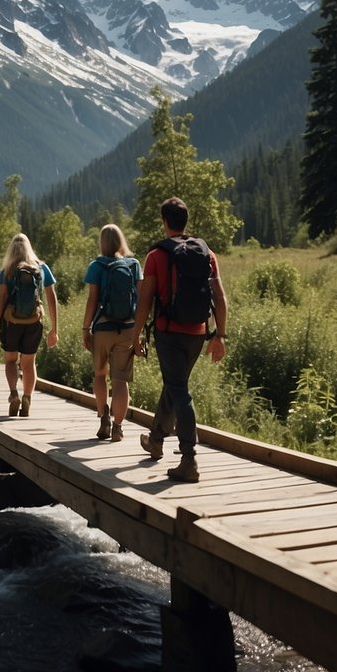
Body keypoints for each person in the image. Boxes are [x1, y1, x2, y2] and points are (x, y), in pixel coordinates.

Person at [131, 197, 228, 483]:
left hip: (168, 332)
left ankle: (189, 458)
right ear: (186, 221)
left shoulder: (156, 256)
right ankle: (156, 439)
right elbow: (220, 298)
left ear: (164, 221)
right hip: (198, 332)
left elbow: (145, 300)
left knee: (178, 389)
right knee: (176, 385)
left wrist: (136, 335)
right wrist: (220, 335)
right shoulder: (206, 254)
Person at [0, 233, 59, 418]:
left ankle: (13, 394)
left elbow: (3, 298)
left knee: (11, 360)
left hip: (12, 322)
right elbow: (51, 298)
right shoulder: (41, 268)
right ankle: (27, 398)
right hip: (34, 321)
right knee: (29, 363)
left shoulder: (8, 270)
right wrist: (54, 329)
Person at [81, 224, 142, 441]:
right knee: (120, 381)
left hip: (102, 328)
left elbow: (92, 300)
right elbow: (142, 299)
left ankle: (104, 417)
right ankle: (118, 428)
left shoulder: (96, 266)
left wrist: (86, 328)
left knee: (100, 374)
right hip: (127, 328)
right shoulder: (134, 265)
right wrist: (139, 330)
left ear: (102, 242)